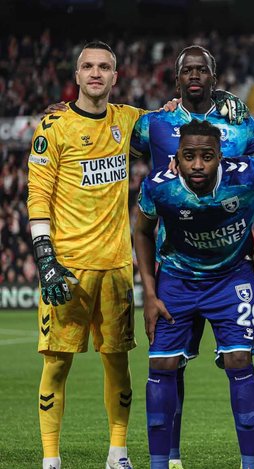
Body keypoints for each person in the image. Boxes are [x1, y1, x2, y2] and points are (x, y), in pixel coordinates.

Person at [134, 119, 254, 469]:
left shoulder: (248, 174)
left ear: (221, 157)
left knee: (239, 360)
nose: (198, 164)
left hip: (230, 279)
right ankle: (159, 463)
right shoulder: (159, 186)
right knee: (162, 364)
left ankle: (250, 464)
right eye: (189, 157)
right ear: (177, 158)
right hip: (177, 279)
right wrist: (150, 295)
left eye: (207, 156)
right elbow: (141, 231)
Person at [130, 44, 254, 469]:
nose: (194, 76)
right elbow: (112, 143)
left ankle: (249, 461)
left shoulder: (239, 124)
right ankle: (169, 457)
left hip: (229, 260)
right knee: (171, 365)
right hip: (175, 260)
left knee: (238, 358)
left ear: (214, 76)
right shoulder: (154, 124)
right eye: (186, 70)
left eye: (202, 70)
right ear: (176, 80)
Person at [27, 41, 143, 469]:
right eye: (88, 66)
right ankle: (51, 458)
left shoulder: (129, 120)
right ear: (76, 75)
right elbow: (38, 196)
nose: (96, 73)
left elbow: (174, 123)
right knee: (56, 365)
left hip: (116, 266)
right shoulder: (54, 127)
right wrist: (45, 258)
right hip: (68, 268)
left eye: (104, 67)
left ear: (115, 76)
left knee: (118, 363)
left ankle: (118, 453)